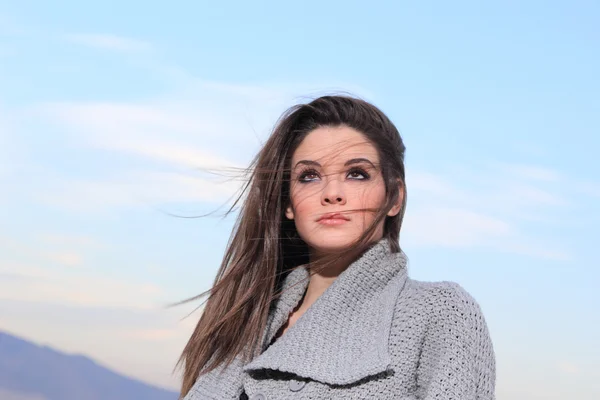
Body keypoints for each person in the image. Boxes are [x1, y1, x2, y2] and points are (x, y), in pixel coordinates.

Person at [177, 95, 496, 400]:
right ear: (289, 203)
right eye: (309, 176)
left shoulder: (439, 311)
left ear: (394, 198)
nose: (332, 193)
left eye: (357, 174)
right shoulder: (248, 316)